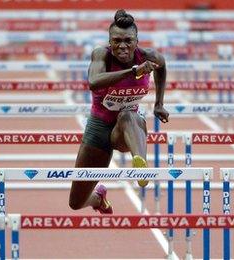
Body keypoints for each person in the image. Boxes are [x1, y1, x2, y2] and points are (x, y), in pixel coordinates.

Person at [68, 9, 169, 214]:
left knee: (128, 114)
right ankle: (98, 198)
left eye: (128, 40)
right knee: (76, 202)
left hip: (128, 130)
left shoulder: (149, 56)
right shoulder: (101, 54)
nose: (122, 45)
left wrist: (159, 103)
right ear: (109, 41)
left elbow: (162, 66)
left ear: (137, 41)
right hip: (99, 127)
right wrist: (133, 71)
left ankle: (140, 164)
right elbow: (94, 82)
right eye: (117, 40)